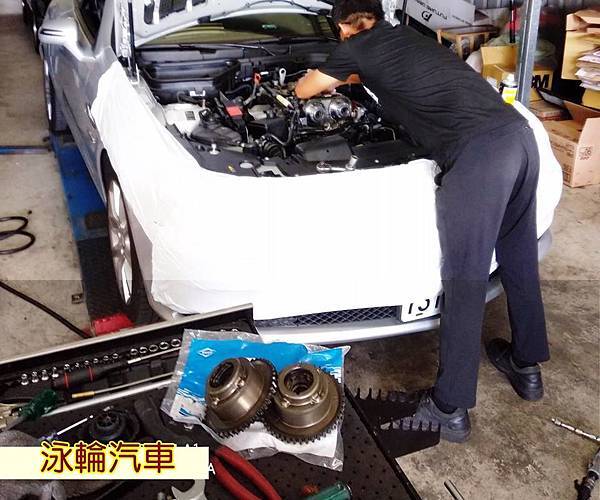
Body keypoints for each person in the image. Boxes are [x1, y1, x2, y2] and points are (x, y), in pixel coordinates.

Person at [295, 0, 549, 443]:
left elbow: (304, 91)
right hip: (520, 140)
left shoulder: (354, 47)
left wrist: (312, 80)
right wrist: (356, 78)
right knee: (519, 256)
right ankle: (526, 367)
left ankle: (449, 408)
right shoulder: (404, 37)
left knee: (465, 281)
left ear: (343, 28)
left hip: (479, 159)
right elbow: (390, 73)